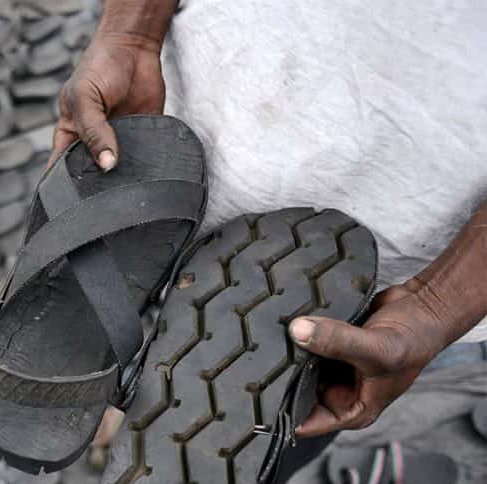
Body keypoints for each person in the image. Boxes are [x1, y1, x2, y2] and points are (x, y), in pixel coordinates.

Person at [54, 0, 487, 460]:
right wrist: (132, 32)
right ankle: (116, 389)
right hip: (192, 99)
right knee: (111, 295)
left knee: (270, 390)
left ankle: (142, 418)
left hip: (398, 260)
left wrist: (442, 303)